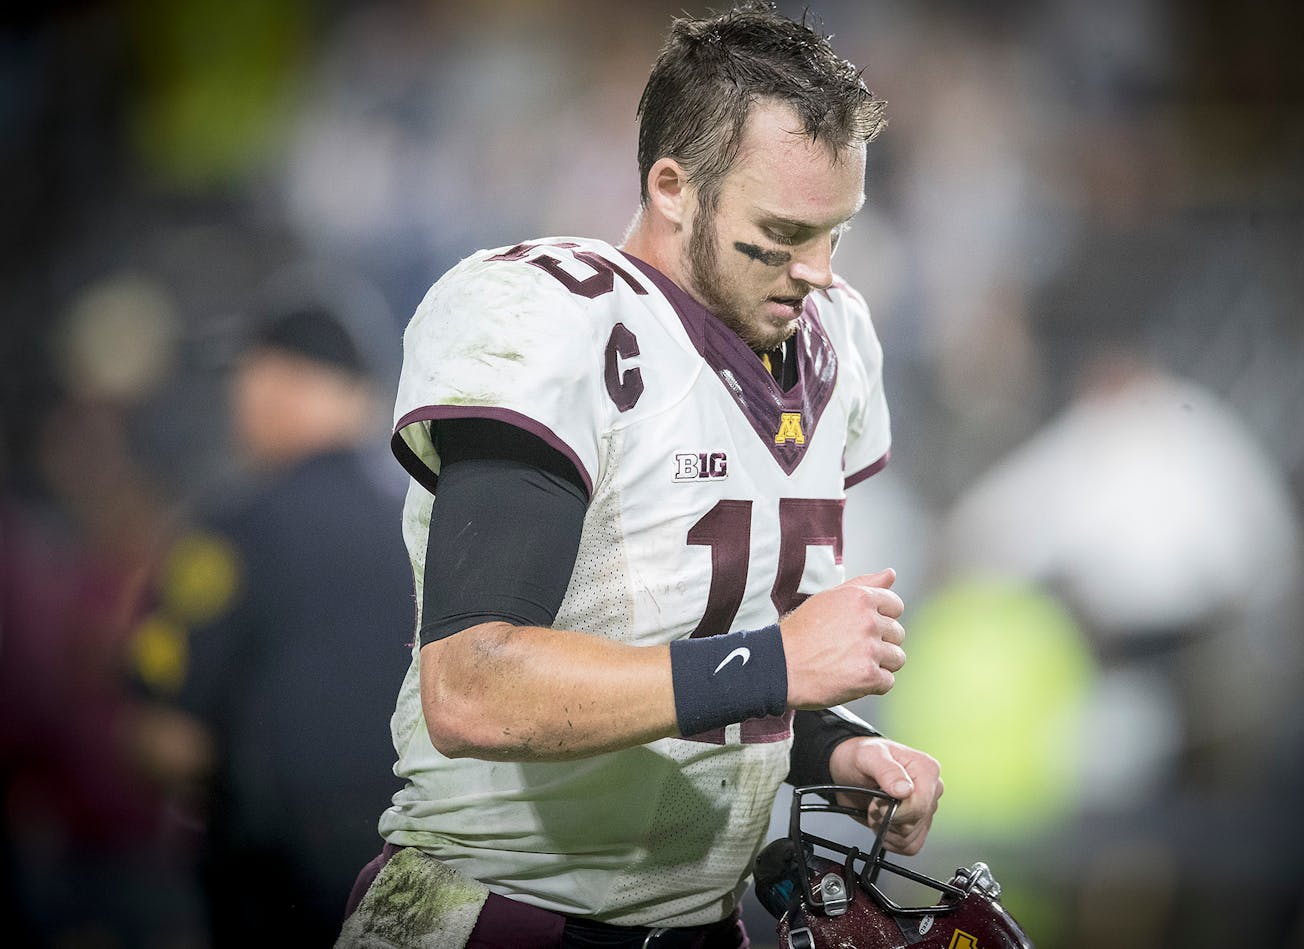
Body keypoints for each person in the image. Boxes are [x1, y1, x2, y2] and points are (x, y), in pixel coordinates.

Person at [340, 4, 943, 947]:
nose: (819, 273)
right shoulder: (556, 321)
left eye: (838, 232)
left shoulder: (837, 344)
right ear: (673, 186)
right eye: (782, 232)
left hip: (700, 924)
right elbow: (471, 684)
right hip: (504, 916)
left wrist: (833, 744)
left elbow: (700, 653)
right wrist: (781, 662)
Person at [128, 293, 415, 946]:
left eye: (256, 374)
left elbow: (166, 734)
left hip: (274, 888)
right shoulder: (431, 525)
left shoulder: (232, 532)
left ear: (279, 386)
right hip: (426, 877)